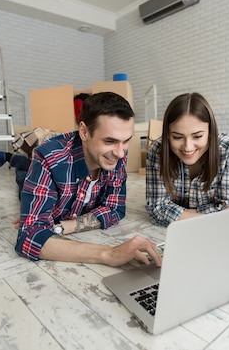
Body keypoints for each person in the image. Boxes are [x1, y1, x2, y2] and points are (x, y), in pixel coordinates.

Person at [11, 92, 162, 267]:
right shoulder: (48, 157)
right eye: (110, 141)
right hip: (39, 171)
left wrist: (63, 226)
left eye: (126, 141)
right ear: (84, 132)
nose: (121, 153)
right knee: (22, 176)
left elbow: (115, 209)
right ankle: (13, 158)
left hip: (63, 206)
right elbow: (29, 237)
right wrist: (109, 253)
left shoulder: (117, 153)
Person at [146, 92, 229, 226]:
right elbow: (157, 209)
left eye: (197, 136)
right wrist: (213, 215)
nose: (187, 147)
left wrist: (179, 213)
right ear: (167, 135)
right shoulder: (157, 151)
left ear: (210, 132)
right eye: (177, 137)